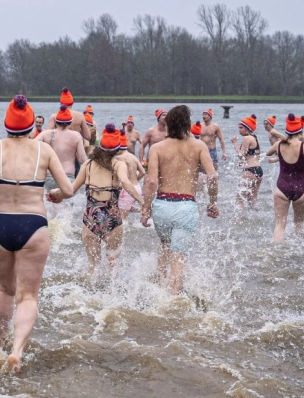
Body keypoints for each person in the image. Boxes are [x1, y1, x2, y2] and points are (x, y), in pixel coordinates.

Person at [0, 96, 74, 373]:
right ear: (29, 125)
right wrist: (57, 195)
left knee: (4, 288)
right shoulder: (43, 150)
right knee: (28, 296)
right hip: (33, 224)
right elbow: (69, 190)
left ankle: (1, 342)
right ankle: (17, 351)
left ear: (6, 123)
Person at [141, 105, 216, 295]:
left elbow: (150, 182)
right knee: (179, 256)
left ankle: (159, 283)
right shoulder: (199, 146)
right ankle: (171, 299)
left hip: (162, 205)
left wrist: (145, 209)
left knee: (165, 245)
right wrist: (212, 202)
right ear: (188, 123)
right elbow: (213, 177)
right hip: (185, 206)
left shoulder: (157, 148)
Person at [49, 123, 142, 272]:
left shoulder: (88, 164)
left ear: (100, 148)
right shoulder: (119, 165)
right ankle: (111, 292)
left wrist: (56, 194)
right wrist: (142, 201)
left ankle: (90, 291)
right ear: (117, 150)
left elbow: (70, 190)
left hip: (91, 219)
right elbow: (125, 182)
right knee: (113, 262)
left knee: (93, 265)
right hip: (112, 218)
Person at [42, 107, 87, 187]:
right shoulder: (76, 136)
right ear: (70, 122)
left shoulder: (46, 134)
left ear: (56, 122)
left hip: (50, 176)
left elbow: (31, 146)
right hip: (68, 177)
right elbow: (82, 159)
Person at [232, 114, 263, 208]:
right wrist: (244, 161)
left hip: (249, 171)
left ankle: (241, 220)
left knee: (240, 198)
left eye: (241, 128)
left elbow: (240, 155)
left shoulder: (246, 138)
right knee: (252, 199)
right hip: (259, 170)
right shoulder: (254, 137)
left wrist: (235, 144)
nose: (239, 130)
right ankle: (252, 218)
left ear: (247, 128)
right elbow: (257, 153)